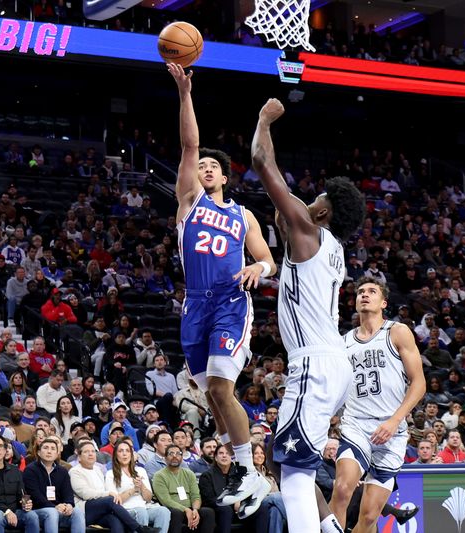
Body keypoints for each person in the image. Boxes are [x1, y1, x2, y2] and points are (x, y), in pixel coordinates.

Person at [251, 97, 366, 533]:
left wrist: (265, 119)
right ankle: (330, 528)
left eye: (317, 196)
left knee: (292, 472)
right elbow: (285, 213)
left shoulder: (310, 229)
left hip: (314, 364)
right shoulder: (329, 246)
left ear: (323, 210)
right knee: (298, 460)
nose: (310, 197)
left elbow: (262, 161)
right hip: (332, 364)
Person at [167, 63, 276, 517]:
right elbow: (190, 143)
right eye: (202, 167)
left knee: (220, 384)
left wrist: (259, 268)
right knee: (211, 393)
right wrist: (185, 93)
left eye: (213, 166)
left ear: (225, 177)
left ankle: (249, 469)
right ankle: (244, 470)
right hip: (195, 304)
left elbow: (269, 259)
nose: (205, 168)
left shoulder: (243, 216)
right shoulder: (188, 202)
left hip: (231, 302)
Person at [330, 278, 425, 533]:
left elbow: (419, 384)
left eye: (371, 291)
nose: (364, 295)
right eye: (360, 291)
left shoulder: (397, 332)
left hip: (391, 429)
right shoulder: (343, 342)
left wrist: (395, 421)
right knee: (342, 489)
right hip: (356, 425)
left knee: (370, 517)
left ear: (383, 302)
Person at [68, 440, 144, 533]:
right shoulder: (75, 471)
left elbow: (102, 491)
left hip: (100, 509)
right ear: (79, 457)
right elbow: (85, 494)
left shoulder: (98, 469)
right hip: (85, 510)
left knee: (115, 520)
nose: (91, 454)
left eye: (93, 451)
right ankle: (139, 529)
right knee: (111, 499)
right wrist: (107, 493)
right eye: (86, 452)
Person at [105, 439, 171, 532]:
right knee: (141, 512)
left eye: (127, 451)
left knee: (164, 512)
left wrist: (142, 486)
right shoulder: (110, 474)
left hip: (145, 507)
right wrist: (134, 490)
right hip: (126, 510)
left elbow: (148, 498)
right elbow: (114, 502)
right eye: (121, 451)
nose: (124, 454)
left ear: (131, 454)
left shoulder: (140, 471)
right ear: (116, 455)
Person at [199, 445, 268, 533]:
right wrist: (230, 503)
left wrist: (240, 502)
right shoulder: (207, 475)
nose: (224, 455)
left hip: (237, 509)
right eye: (221, 453)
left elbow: (248, 491)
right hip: (218, 510)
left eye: (227, 453)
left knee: (261, 508)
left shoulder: (240, 473)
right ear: (215, 458)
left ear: (232, 457)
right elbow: (208, 499)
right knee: (226, 509)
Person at [22, 436, 84, 533]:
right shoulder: (30, 470)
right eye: (46, 448)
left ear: (57, 454)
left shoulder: (62, 471)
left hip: (59, 510)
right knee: (52, 512)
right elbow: (35, 495)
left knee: (77, 512)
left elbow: (68, 493)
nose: (49, 451)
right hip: (39, 510)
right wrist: (54, 506)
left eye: (53, 449)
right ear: (38, 452)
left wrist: (68, 505)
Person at [152, 443, 215, 533]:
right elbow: (165, 500)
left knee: (208, 512)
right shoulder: (159, 475)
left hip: (191, 509)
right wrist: (185, 509)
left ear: (182, 458)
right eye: (171, 454)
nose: (175, 456)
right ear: (165, 458)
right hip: (173, 509)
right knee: (176, 513)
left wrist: (195, 510)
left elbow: (195, 495)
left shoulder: (189, 473)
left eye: (178, 454)